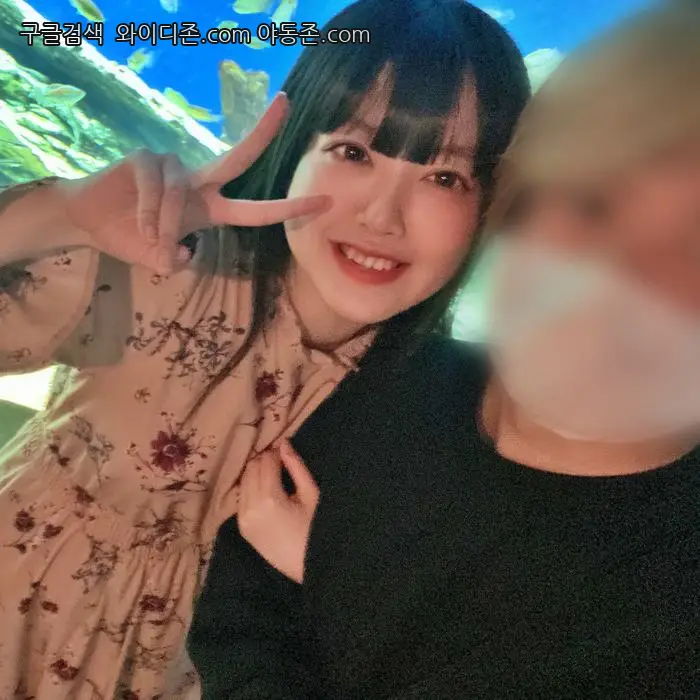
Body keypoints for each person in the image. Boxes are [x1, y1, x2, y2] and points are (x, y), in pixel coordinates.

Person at [0, 0, 528, 696]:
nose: (382, 217)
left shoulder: (447, 408)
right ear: (294, 145)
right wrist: (62, 213)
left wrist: (331, 575)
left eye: (445, 177)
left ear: (489, 206)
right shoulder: (174, 264)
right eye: (354, 152)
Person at [188, 2, 700, 698]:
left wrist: (336, 576)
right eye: (593, 205)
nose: (626, 283)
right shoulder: (390, 379)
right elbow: (242, 608)